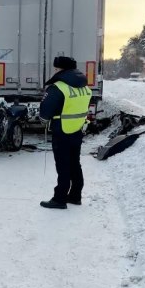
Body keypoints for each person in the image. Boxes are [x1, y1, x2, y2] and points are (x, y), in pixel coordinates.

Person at [39, 56, 91, 209]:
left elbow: (45, 111)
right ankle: (75, 196)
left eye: (56, 68)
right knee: (75, 164)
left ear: (60, 69)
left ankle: (59, 199)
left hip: (61, 130)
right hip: (77, 130)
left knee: (63, 166)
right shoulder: (83, 86)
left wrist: (44, 119)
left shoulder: (58, 87)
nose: (54, 70)